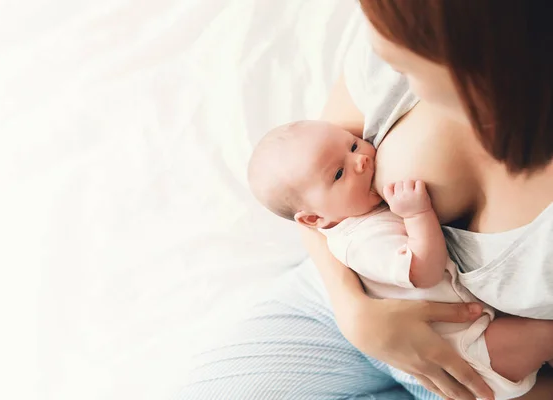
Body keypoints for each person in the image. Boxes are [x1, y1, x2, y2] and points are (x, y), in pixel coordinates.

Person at [178, 1, 553, 399]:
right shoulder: (397, 31)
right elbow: (305, 192)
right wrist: (355, 313)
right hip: (340, 293)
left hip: (481, 367)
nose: (376, 48)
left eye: (404, 62)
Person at [248, 119, 553, 399]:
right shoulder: (362, 241)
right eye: (339, 174)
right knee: (545, 335)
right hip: (470, 353)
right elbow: (424, 272)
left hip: (467, 336)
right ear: (315, 217)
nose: (361, 159)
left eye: (353, 144)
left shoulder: (358, 214)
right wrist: (417, 215)